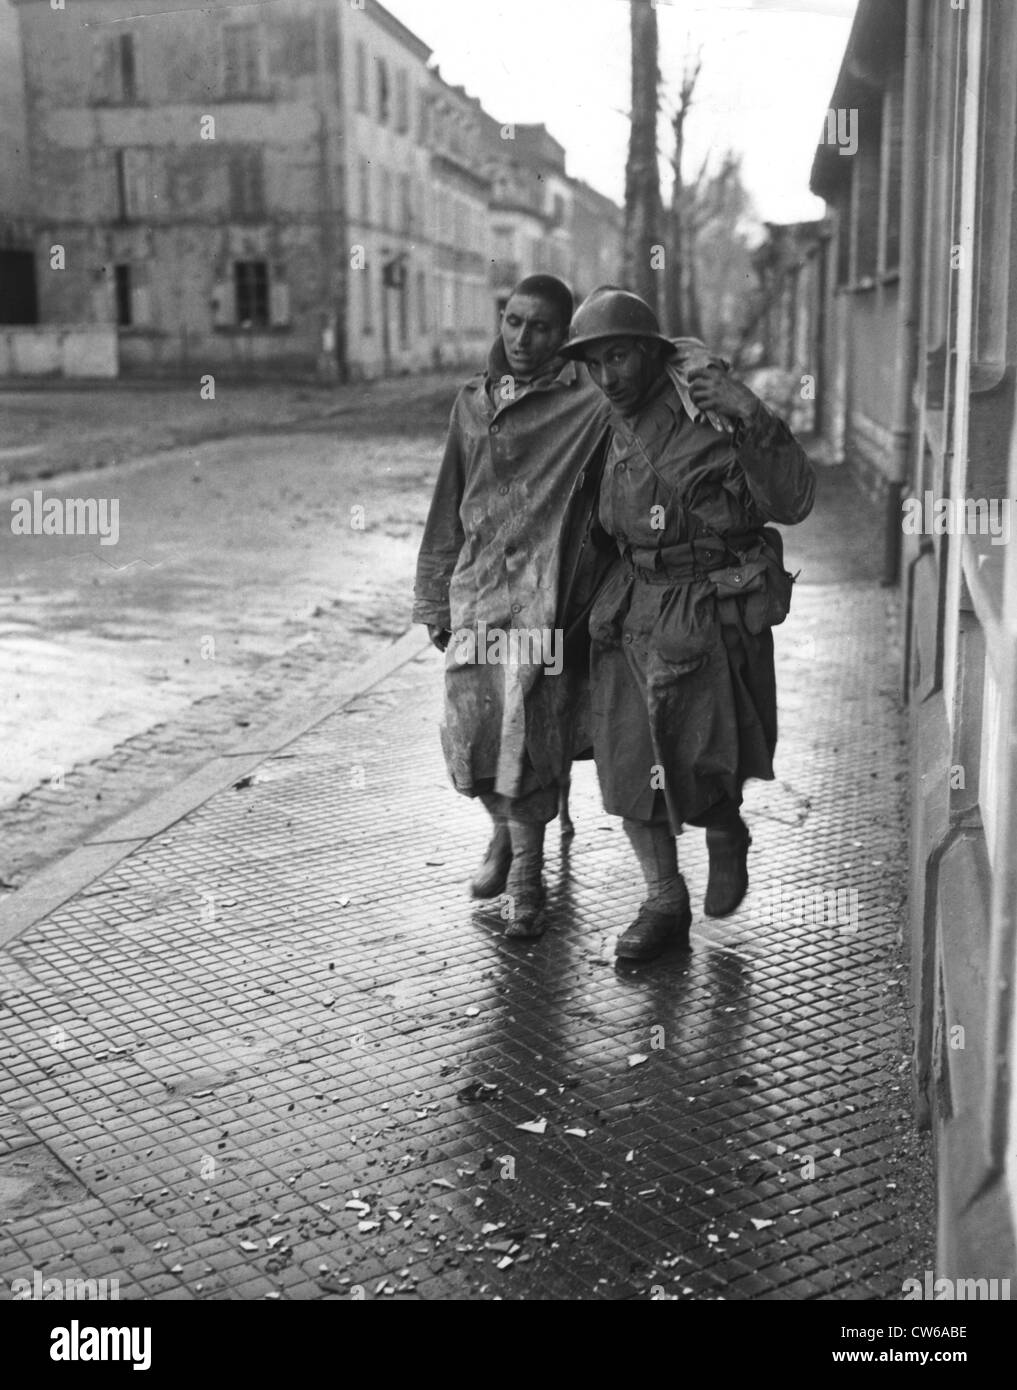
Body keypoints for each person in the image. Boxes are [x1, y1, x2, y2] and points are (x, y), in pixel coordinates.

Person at [559, 288, 816, 962]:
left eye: (618, 357)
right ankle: (662, 900)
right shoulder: (599, 422)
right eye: (593, 364)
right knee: (625, 766)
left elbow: (791, 501)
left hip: (702, 605)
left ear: (649, 351)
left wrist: (752, 414)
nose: (606, 377)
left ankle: (724, 829)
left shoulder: (709, 407)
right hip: (630, 601)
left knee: (701, 754)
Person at [412, 275, 613, 939]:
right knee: (471, 733)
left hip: (543, 596)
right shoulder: (471, 403)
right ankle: (502, 836)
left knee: (527, 732)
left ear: (566, 337)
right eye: (513, 322)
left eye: (541, 328)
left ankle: (526, 877)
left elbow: (664, 359)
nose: (522, 339)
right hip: (475, 591)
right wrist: (434, 595)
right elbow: (449, 501)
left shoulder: (587, 399)